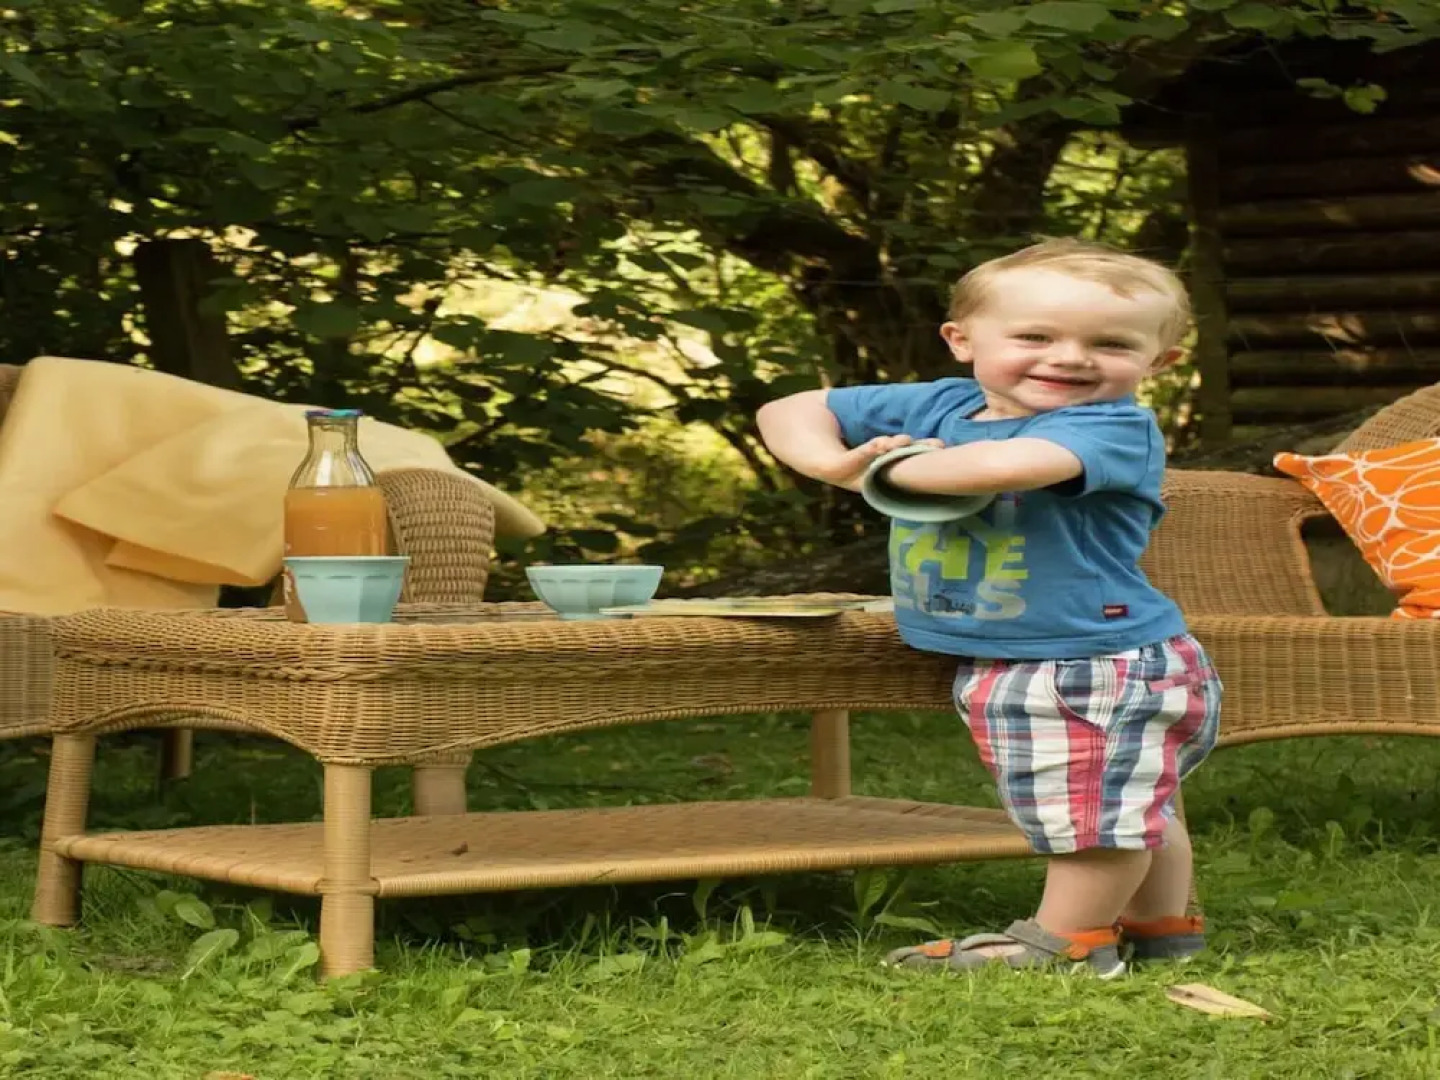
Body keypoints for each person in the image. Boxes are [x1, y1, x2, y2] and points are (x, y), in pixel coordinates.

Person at [756, 238, 1222, 977]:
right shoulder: (942, 404)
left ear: (1157, 363)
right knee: (1130, 798)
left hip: (1090, 659)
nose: (1068, 358)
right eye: (1035, 337)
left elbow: (1006, 465)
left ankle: (1069, 942)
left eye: (1110, 344)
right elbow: (790, 407)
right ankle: (1160, 924)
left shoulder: (1110, 427)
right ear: (963, 340)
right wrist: (829, 465)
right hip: (1039, 651)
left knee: (1094, 814)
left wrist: (887, 465)